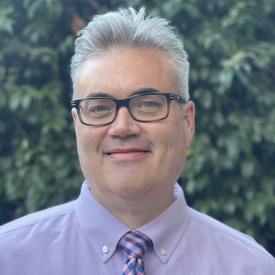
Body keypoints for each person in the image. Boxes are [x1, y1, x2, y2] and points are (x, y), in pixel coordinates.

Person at [0, 7, 274, 275]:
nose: (122, 127)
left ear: (187, 122)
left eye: (148, 104)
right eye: (99, 108)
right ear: (76, 125)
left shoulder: (252, 267)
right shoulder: (8, 258)